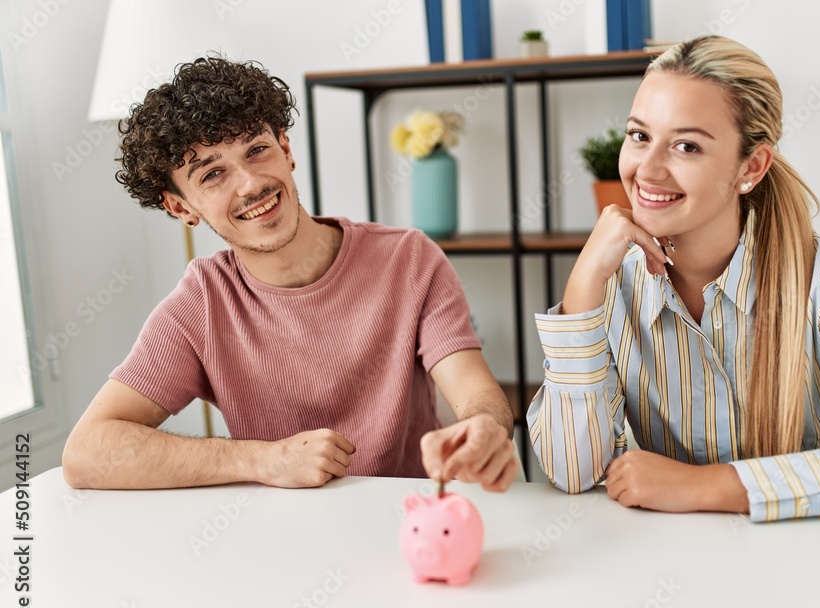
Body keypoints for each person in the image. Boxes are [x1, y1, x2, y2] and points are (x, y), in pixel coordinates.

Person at [527, 36, 820, 522]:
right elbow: (572, 471)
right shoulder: (610, 286)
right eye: (639, 135)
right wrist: (581, 290)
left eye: (686, 145)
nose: (648, 168)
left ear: (751, 166)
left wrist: (706, 486)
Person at [62, 56, 518, 492]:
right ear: (180, 206)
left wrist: (484, 429)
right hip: (278, 543)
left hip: (407, 523)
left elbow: (477, 393)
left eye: (257, 150)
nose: (250, 184)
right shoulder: (199, 306)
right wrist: (264, 459)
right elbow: (86, 452)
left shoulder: (410, 258)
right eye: (213, 174)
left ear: (285, 148)